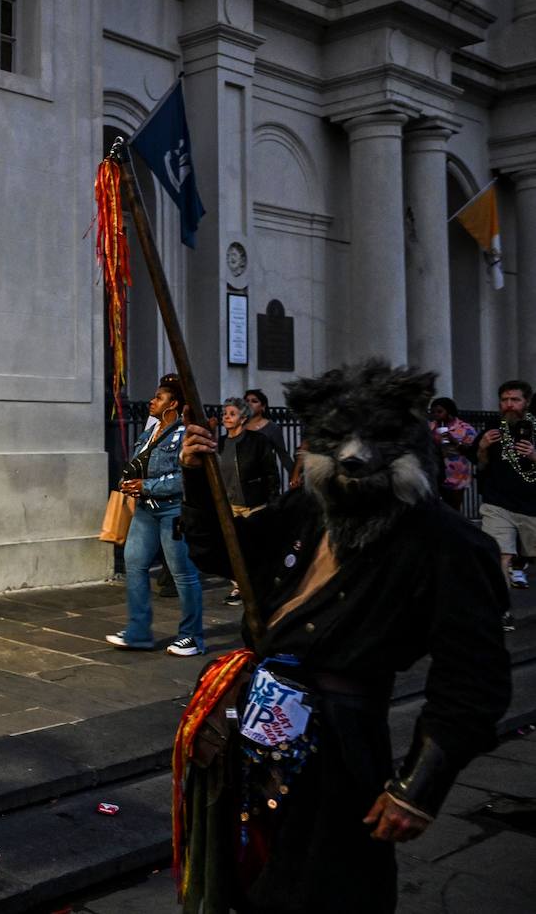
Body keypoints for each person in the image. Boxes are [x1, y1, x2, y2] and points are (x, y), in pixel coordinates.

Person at [174, 360, 510, 914]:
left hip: (340, 749)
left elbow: (473, 684)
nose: (353, 457)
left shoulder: (445, 545)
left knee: (326, 888)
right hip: (249, 731)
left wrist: (416, 789)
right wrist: (196, 475)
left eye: (373, 441)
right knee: (243, 878)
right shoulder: (309, 508)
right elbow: (224, 551)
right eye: (339, 442)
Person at [106, 374, 206, 657]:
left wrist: (147, 485)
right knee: (134, 564)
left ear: (173, 403)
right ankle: (138, 632)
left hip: (173, 510)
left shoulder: (185, 432)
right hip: (145, 510)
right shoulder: (151, 430)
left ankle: (193, 637)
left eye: (159, 398)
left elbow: (184, 477)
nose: (152, 401)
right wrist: (131, 482)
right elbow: (141, 462)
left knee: (182, 573)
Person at [217, 397, 281, 607]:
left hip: (254, 503)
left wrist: (272, 501)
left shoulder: (257, 441)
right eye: (225, 413)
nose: (226, 417)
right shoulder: (220, 443)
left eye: (232, 413)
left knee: (255, 548)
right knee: (232, 549)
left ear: (243, 418)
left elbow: (271, 473)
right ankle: (239, 587)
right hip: (229, 505)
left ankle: (261, 585)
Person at [475, 380, 536, 595]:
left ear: (526, 402)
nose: (509, 405)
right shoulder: (492, 429)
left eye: (515, 400)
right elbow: (480, 466)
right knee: (501, 554)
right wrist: (482, 449)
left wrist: (533, 456)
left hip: (532, 505)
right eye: (504, 400)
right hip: (498, 503)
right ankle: (502, 610)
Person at [429, 396, 476, 512]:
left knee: (453, 509)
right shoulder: (430, 427)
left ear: (449, 411)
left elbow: (471, 450)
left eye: (439, 411)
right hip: (434, 474)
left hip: (456, 475)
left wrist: (453, 440)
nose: (436, 415)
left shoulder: (464, 428)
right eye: (433, 412)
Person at [243, 388, 292, 476]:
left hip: (265, 477)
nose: (249, 404)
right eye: (247, 401)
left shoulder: (272, 428)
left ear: (263, 406)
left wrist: (294, 475)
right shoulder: (239, 426)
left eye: (254, 401)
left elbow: (283, 455)